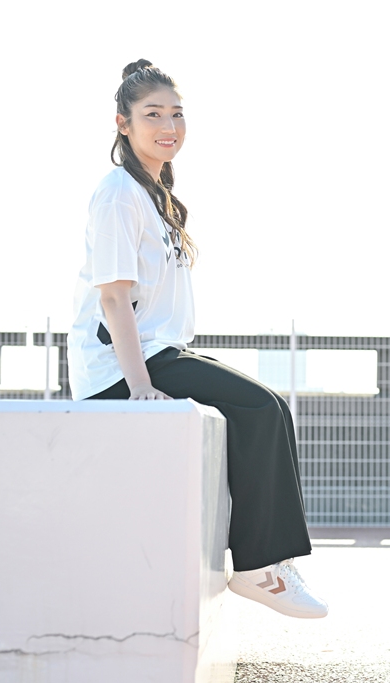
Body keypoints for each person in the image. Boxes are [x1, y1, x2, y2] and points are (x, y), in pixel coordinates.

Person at [67, 59, 327, 619]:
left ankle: (267, 563)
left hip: (161, 353)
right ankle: (260, 568)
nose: (169, 126)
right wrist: (139, 385)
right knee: (260, 409)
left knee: (268, 408)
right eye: (152, 114)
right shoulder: (118, 193)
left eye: (177, 114)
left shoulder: (155, 193)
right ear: (122, 124)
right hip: (124, 365)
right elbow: (113, 298)